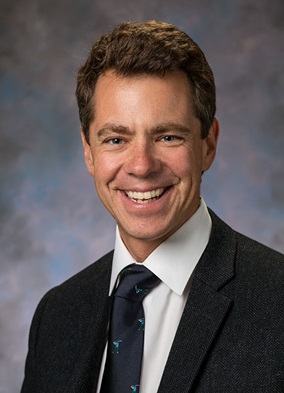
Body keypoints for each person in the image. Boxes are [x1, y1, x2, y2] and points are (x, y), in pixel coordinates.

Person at [21, 21, 284, 393]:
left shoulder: (277, 301)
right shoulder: (57, 314)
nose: (142, 165)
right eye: (116, 139)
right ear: (88, 152)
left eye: (168, 136)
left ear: (208, 144)